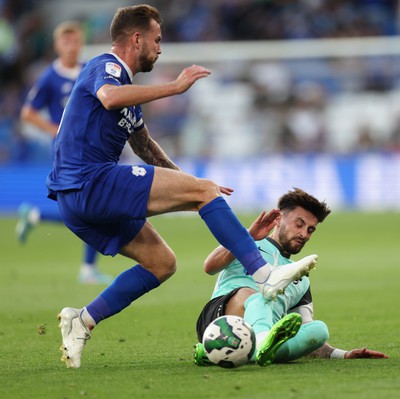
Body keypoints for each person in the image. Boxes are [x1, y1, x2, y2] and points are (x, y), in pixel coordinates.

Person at [47, 5, 318, 369]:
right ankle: (265, 276)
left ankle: (83, 319)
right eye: (157, 40)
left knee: (162, 262)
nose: (160, 49)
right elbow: (109, 98)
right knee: (203, 191)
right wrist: (175, 88)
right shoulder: (106, 67)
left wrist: (189, 185)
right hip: (88, 180)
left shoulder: (125, 90)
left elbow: (144, 146)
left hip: (77, 200)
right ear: (136, 38)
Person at [194, 188, 389, 366]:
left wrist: (342, 354)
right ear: (278, 219)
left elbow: (302, 329)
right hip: (220, 320)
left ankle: (233, 351)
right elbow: (209, 266)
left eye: (310, 230)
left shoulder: (301, 276)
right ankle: (249, 343)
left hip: (261, 332)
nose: (304, 234)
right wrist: (248, 237)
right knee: (257, 294)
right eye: (299, 224)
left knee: (319, 330)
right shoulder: (250, 242)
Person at [16, 21, 111, 285]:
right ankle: (88, 268)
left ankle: (36, 216)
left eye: (75, 41)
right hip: (68, 151)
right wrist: (55, 130)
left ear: (81, 43)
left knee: (88, 205)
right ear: (57, 45)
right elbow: (27, 113)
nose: (71, 46)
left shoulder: (88, 70)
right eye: (66, 41)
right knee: (88, 204)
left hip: (93, 147)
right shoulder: (50, 77)